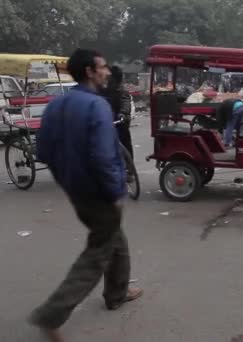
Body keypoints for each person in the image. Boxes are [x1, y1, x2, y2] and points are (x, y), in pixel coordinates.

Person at [30, 49, 143, 342]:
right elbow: (105, 157)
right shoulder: (96, 106)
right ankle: (52, 313)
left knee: (115, 239)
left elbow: (43, 152)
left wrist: (68, 180)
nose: (107, 72)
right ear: (90, 72)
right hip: (100, 193)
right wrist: (116, 191)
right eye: (103, 67)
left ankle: (117, 292)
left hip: (77, 193)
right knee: (96, 255)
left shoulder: (57, 105)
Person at [101, 66, 134, 158]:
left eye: (108, 77)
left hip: (119, 127)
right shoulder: (103, 91)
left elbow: (125, 104)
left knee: (124, 151)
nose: (106, 78)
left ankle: (128, 169)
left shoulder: (122, 92)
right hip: (105, 127)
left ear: (114, 79)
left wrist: (122, 114)